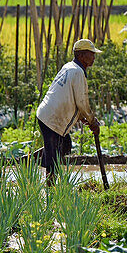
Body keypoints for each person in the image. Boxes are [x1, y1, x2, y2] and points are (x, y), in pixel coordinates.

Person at [35, 38, 101, 185]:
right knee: (54, 159)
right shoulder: (77, 72)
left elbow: (66, 96)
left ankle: (38, 158)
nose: (94, 57)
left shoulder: (69, 67)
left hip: (46, 114)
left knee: (65, 145)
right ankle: (50, 190)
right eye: (91, 54)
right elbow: (82, 102)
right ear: (82, 56)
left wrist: (79, 117)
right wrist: (91, 121)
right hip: (52, 119)